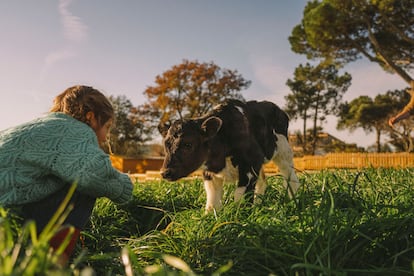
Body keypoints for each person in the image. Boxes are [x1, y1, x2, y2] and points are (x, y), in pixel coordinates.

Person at [0, 85, 133, 265]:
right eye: (107, 127)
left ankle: (26, 250)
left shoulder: (40, 126)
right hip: (7, 215)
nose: (104, 138)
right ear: (91, 117)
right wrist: (126, 186)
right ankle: (51, 263)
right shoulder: (76, 130)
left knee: (72, 172)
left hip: (6, 217)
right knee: (82, 184)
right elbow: (95, 174)